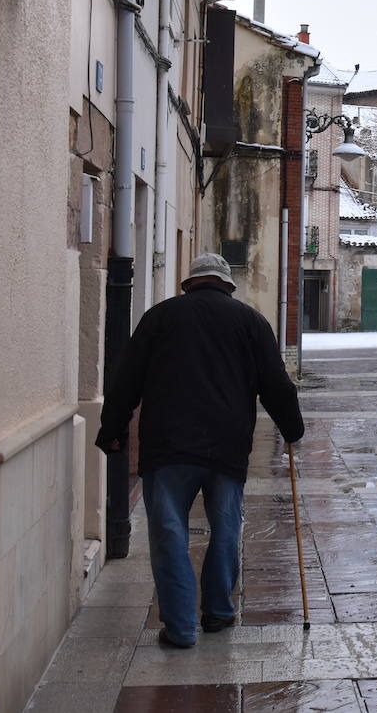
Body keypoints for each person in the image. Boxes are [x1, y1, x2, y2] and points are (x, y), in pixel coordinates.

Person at [96, 253, 304, 648]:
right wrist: (292, 429)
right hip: (227, 446)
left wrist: (112, 430)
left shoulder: (159, 317)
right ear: (227, 285)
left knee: (169, 532)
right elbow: (276, 383)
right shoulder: (250, 321)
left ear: (189, 283)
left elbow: (126, 379)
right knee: (226, 527)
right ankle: (219, 612)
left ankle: (178, 629)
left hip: (168, 445)